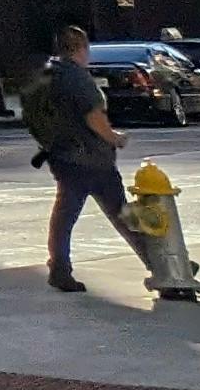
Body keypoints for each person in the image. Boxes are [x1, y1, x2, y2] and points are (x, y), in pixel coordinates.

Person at [19, 21, 132, 292]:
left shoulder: (48, 75)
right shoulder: (77, 78)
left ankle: (59, 268)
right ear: (81, 48)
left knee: (64, 216)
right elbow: (94, 117)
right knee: (125, 216)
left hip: (62, 156)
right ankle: (162, 265)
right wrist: (114, 137)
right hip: (92, 159)